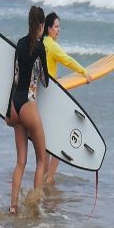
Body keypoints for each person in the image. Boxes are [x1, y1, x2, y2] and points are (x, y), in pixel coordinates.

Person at [5, 6, 49, 215]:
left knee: (20, 162)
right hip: (29, 104)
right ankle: (34, 209)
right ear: (41, 26)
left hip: (15, 105)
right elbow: (45, 80)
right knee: (41, 159)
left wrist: (8, 112)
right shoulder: (39, 47)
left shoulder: (20, 44)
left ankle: (13, 207)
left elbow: (14, 78)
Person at [42, 12, 92, 184]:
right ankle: (49, 180)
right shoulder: (52, 46)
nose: (58, 30)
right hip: (50, 99)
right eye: (56, 26)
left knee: (48, 140)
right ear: (48, 28)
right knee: (61, 140)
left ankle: (44, 176)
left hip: (41, 97)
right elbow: (68, 60)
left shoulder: (41, 43)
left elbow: (45, 70)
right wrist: (84, 72)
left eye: (59, 26)